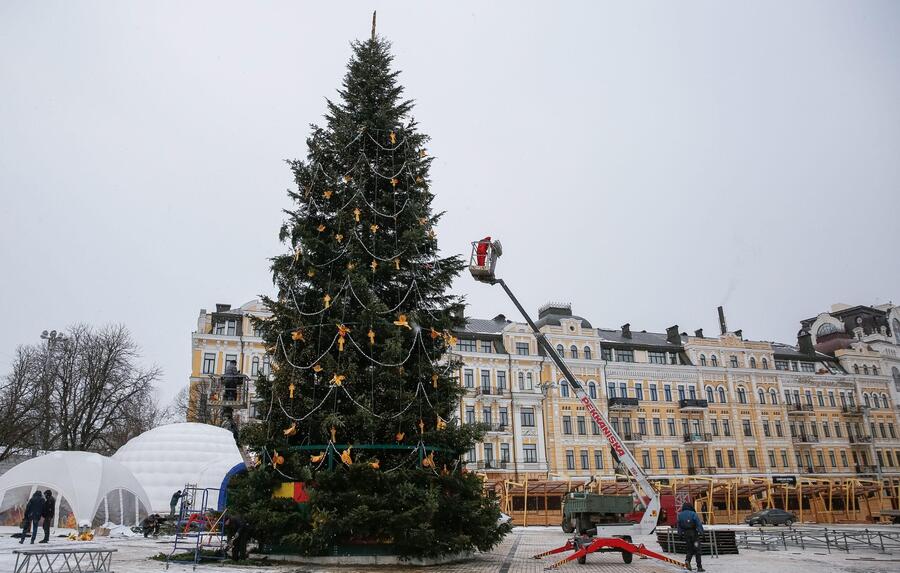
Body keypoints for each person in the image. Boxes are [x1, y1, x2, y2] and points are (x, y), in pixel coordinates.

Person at [677, 502, 705, 572]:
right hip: (694, 535)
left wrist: (680, 535)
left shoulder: (680, 515)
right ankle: (699, 567)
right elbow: (698, 524)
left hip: (686, 535)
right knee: (697, 549)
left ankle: (687, 560)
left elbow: (679, 526)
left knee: (689, 549)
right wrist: (702, 534)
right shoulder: (693, 514)